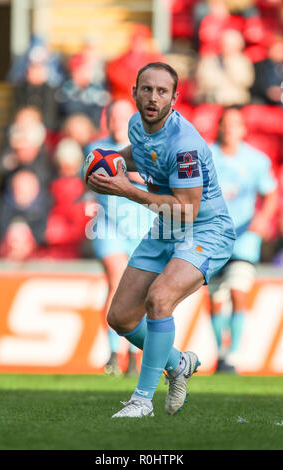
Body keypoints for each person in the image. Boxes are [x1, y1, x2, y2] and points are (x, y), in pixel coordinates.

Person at [86, 62, 236, 418]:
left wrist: (127, 190)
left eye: (162, 91)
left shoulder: (185, 144)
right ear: (134, 92)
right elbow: (140, 153)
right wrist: (105, 163)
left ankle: (141, 401)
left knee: (159, 299)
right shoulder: (136, 124)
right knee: (121, 318)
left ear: (175, 97)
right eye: (147, 89)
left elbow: (186, 209)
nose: (153, 97)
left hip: (204, 229)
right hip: (166, 226)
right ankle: (178, 362)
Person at [85, 99, 155, 376]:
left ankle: (136, 356)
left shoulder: (148, 148)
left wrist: (129, 177)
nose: (117, 122)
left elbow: (157, 183)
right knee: (117, 280)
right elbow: (91, 179)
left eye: (123, 117)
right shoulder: (97, 149)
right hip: (109, 226)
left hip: (143, 225)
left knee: (142, 291)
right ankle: (114, 354)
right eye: (113, 117)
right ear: (107, 119)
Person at [209, 107, 277, 372]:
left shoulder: (256, 160)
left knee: (238, 289)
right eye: (226, 124)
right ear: (219, 127)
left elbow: (270, 194)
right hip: (212, 237)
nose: (230, 129)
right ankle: (221, 353)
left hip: (244, 237)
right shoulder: (206, 156)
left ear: (243, 129)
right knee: (215, 297)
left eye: (235, 124)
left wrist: (263, 218)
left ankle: (233, 355)